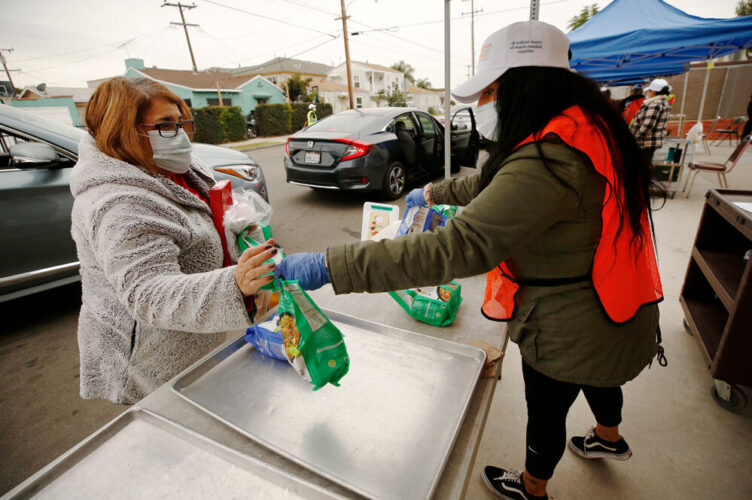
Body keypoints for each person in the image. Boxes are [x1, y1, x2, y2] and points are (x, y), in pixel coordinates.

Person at [276, 21, 663, 500]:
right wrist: (435, 190)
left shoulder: (550, 156)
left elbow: (457, 246)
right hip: (619, 306)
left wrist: (330, 266)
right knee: (601, 376)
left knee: (547, 408)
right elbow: (501, 185)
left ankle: (532, 488)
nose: (493, 105)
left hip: (572, 321)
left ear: (526, 85)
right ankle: (609, 438)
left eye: (497, 91)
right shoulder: (587, 127)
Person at [71, 77, 276, 404]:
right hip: (149, 360)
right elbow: (148, 292)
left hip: (193, 336)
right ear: (123, 130)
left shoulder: (174, 165)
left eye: (181, 123)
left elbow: (202, 212)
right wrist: (236, 282)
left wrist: (240, 227)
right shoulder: (119, 206)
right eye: (166, 125)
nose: (180, 136)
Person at [631, 78, 671, 164]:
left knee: (641, 166)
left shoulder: (655, 104)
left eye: (649, 91)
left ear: (653, 92)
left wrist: (634, 137)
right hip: (649, 143)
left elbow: (648, 125)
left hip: (646, 143)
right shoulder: (664, 102)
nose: (648, 93)